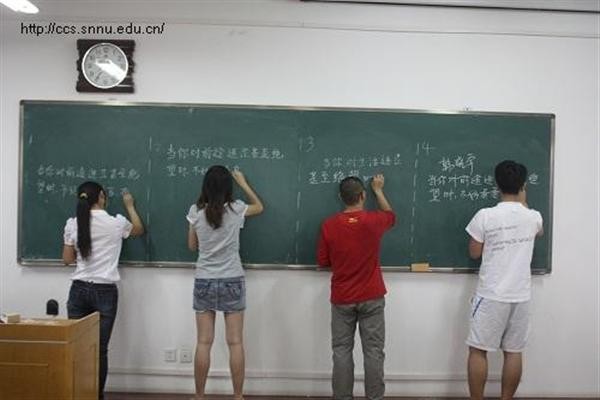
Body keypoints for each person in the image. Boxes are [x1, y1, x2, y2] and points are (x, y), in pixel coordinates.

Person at [465, 160, 544, 400]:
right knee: (514, 351)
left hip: (491, 294)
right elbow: (539, 232)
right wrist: (522, 202)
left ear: (496, 184)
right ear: (523, 185)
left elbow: (474, 253)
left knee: (478, 350)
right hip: (520, 295)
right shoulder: (534, 217)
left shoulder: (485, 216)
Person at [187, 166, 264, 400]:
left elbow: (192, 246)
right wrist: (243, 182)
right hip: (232, 278)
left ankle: (199, 396)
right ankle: (238, 396)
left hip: (204, 280)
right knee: (235, 342)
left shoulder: (195, 211)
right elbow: (260, 206)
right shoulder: (236, 208)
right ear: (228, 187)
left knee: (203, 342)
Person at [62, 181, 144, 400]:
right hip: (105, 291)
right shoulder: (116, 223)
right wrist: (130, 206)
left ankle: (76, 393)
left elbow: (67, 259)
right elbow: (138, 229)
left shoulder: (73, 223)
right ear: (101, 196)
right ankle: (96, 395)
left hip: (78, 290)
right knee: (100, 349)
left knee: (76, 347)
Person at [317, 174, 395, 400]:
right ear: (362, 196)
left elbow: (323, 261)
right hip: (372, 295)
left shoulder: (329, 225)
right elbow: (391, 216)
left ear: (341, 197)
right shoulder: (374, 221)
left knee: (341, 351)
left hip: (342, 297)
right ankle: (375, 397)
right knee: (374, 351)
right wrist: (379, 190)